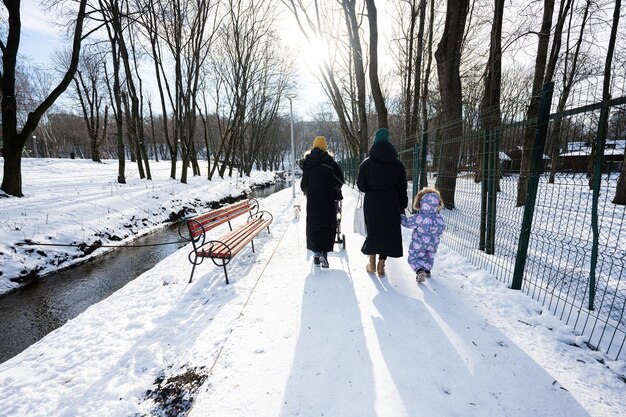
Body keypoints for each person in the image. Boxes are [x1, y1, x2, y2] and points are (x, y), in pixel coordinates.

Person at [357, 128, 408, 276]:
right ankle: (381, 266)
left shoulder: (366, 164)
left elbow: (361, 186)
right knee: (388, 233)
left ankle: (371, 263)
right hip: (391, 203)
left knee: (373, 231)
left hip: (372, 202)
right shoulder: (398, 165)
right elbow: (402, 187)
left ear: (374, 142)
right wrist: (402, 204)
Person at [300, 136, 344, 269]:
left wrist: (311, 191)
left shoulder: (307, 163)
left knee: (313, 226)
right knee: (327, 225)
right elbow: (339, 182)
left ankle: (316, 254)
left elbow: (304, 186)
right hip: (327, 200)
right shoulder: (331, 163)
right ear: (325, 148)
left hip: (313, 201)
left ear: (313, 147)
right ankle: (324, 253)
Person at [401, 187, 445, 283]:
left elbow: (408, 223)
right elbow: (441, 228)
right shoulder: (439, 218)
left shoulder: (420, 217)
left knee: (414, 257)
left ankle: (419, 270)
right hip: (433, 244)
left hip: (419, 243)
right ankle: (427, 270)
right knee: (429, 256)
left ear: (421, 202)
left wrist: (401, 217)